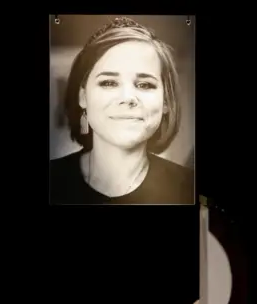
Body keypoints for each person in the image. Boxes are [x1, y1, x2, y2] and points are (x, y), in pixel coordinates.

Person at [49, 16, 194, 205]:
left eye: (144, 84)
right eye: (109, 83)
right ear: (83, 97)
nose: (127, 97)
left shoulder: (190, 189)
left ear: (166, 100)